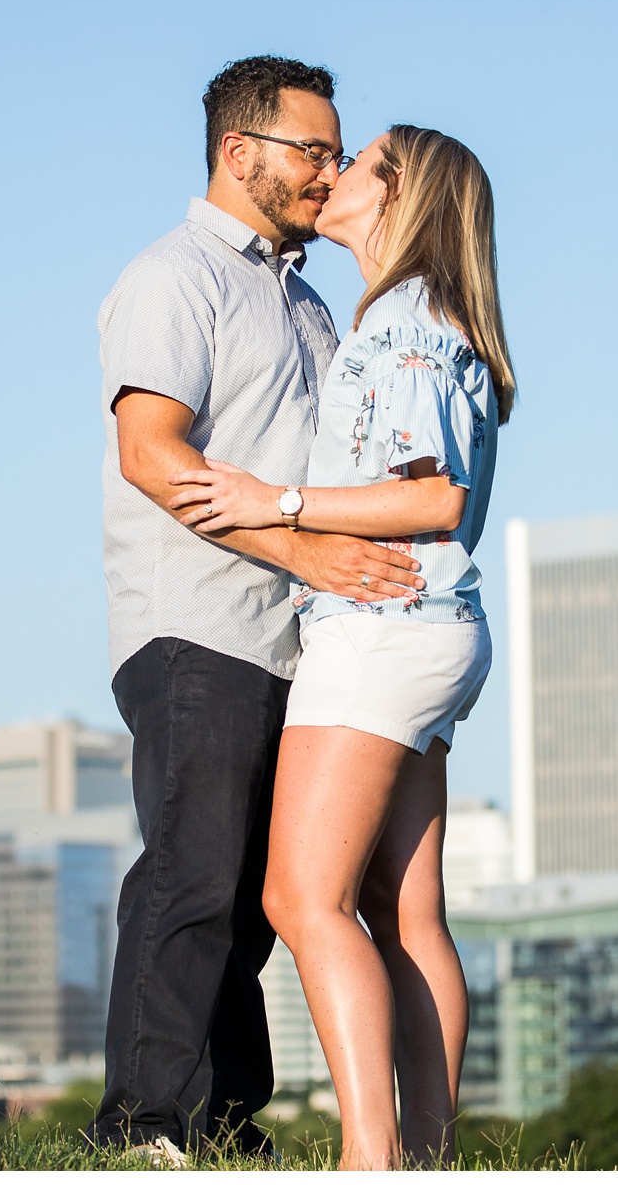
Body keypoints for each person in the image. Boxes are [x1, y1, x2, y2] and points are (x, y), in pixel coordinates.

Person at [91, 57, 427, 1160]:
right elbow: (151, 455)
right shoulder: (172, 275)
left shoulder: (303, 297)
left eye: (337, 154)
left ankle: (227, 1123)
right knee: (190, 870)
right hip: (197, 623)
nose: (327, 172)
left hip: (295, 636)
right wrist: (305, 549)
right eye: (311, 152)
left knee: (249, 900)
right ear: (239, 154)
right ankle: (142, 1123)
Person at [166, 124, 515, 1169]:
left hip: (378, 633)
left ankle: (372, 1155)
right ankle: (431, 1155)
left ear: (396, 191)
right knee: (401, 910)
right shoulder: (432, 317)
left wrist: (272, 498)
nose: (332, 174)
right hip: (434, 632)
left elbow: (430, 492)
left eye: (353, 161)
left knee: (298, 896)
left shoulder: (402, 323)